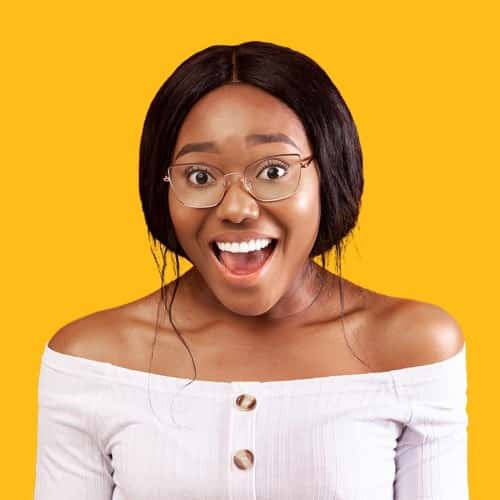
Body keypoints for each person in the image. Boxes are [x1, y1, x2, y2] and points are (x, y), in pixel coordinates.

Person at [34, 41, 469, 499]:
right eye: (200, 176)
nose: (237, 208)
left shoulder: (414, 348)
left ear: (330, 172)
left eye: (274, 171)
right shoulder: (89, 359)